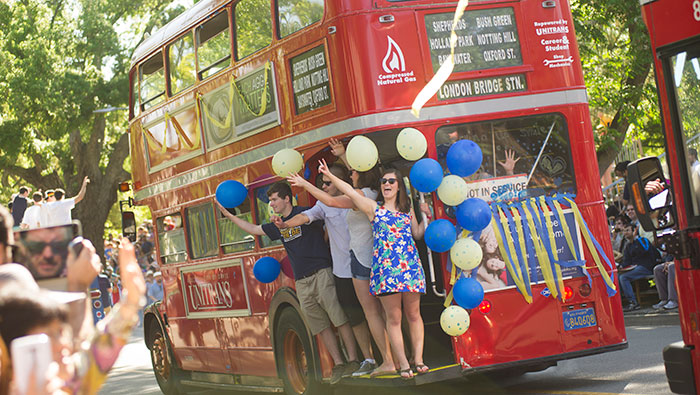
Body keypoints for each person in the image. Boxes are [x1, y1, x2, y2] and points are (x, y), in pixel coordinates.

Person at [216, 181, 360, 384]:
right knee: (320, 325)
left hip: (321, 272)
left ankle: (353, 360)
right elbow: (255, 229)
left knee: (338, 317)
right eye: (271, 200)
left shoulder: (306, 212)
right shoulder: (276, 225)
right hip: (301, 280)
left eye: (274, 199)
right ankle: (339, 364)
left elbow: (323, 226)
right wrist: (230, 215)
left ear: (286, 199)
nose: (272, 204)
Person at [317, 159, 429, 379]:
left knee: (414, 315)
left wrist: (427, 215)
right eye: (384, 181)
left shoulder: (407, 209)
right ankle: (404, 364)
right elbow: (349, 190)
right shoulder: (373, 207)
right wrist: (330, 176)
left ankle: (419, 360)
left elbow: (417, 233)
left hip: (410, 267)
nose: (386, 184)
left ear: (399, 186)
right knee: (393, 318)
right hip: (387, 271)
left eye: (391, 181)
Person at [284, 160, 396, 377]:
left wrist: (305, 184)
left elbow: (363, 173)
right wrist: (287, 224)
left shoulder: (362, 195)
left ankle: (395, 358)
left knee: (383, 312)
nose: (324, 186)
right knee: (356, 316)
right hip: (344, 269)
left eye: (327, 182)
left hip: (370, 263)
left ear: (340, 182)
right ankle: (371, 359)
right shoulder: (327, 204)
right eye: (322, 184)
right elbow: (306, 216)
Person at [618, 223, 659, 311]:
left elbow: (649, 251)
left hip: (646, 267)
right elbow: (627, 261)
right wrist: (620, 266)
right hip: (635, 268)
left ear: (634, 231)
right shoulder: (628, 246)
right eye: (624, 231)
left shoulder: (643, 241)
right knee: (618, 276)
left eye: (628, 230)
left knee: (623, 278)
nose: (625, 233)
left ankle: (633, 302)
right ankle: (621, 302)